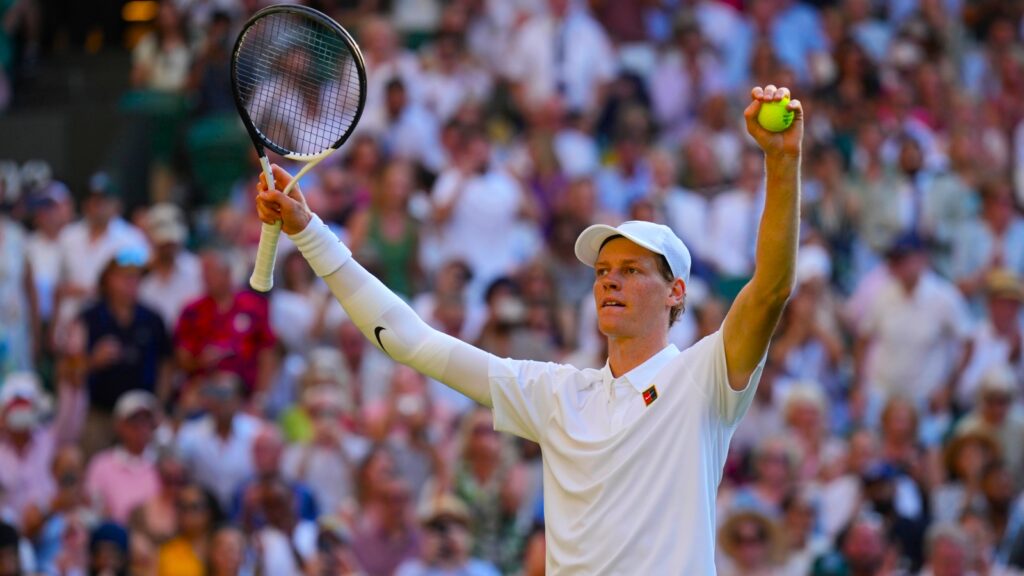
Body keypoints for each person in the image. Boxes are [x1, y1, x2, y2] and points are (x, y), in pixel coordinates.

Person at [255, 85, 802, 573]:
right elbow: (410, 340)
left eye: (632, 271)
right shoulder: (557, 394)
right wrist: (309, 231)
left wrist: (781, 163)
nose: (610, 281)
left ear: (676, 292)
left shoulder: (703, 377)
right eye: (603, 272)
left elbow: (771, 290)